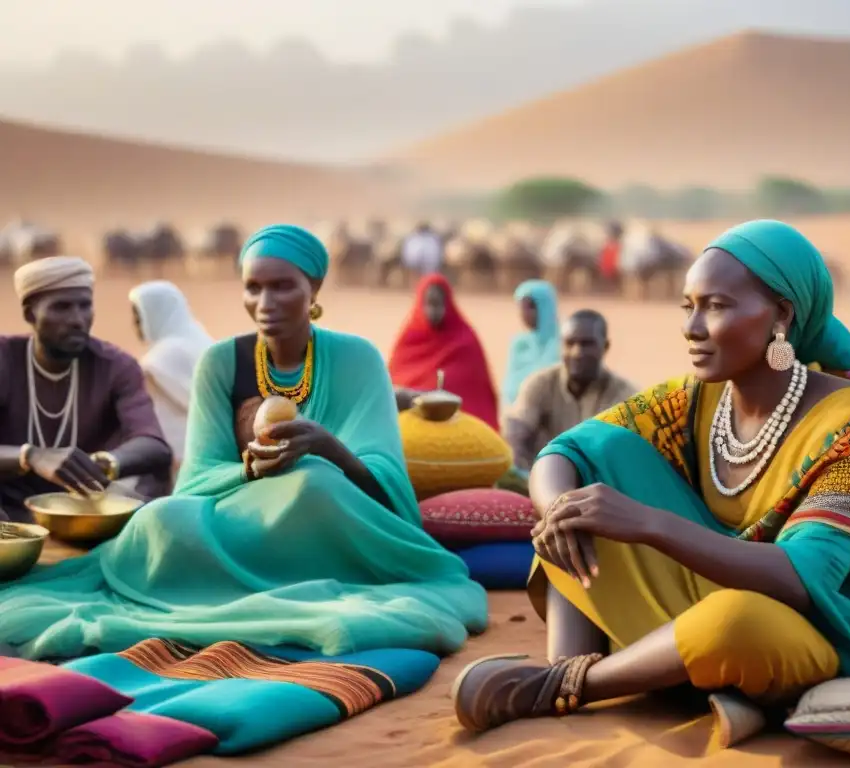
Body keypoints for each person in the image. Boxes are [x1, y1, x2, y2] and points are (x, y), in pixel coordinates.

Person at [449, 220, 850, 733]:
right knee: (587, 484)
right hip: (710, 593)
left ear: (781, 315)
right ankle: (581, 667)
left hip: (817, 627)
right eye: (689, 306)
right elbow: (565, 451)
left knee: (734, 624)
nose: (691, 327)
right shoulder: (699, 396)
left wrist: (648, 523)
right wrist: (558, 510)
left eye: (716, 306)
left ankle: (573, 685)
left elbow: (801, 579)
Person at [0, 224, 488, 661]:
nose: (265, 302)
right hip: (238, 513)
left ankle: (250, 585)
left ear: (313, 288)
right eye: (253, 287)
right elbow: (195, 478)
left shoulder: (357, 358)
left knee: (312, 483)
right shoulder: (220, 361)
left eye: (282, 287)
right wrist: (250, 469)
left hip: (326, 514)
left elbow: (387, 487)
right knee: (158, 516)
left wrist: (327, 447)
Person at [0, 257, 173, 523]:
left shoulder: (116, 366)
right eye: (61, 307)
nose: (78, 320)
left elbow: (154, 445)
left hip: (84, 513)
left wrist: (107, 461)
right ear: (29, 314)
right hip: (7, 514)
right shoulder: (5, 358)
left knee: (158, 485)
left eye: (85, 306)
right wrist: (31, 456)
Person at [503, 309, 637, 471]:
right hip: (543, 478)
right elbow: (517, 430)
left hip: (597, 482)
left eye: (587, 344)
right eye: (570, 343)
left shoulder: (624, 394)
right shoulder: (540, 384)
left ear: (605, 346)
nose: (577, 352)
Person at [389, 274, 499, 430]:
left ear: (448, 305)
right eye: (429, 304)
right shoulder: (408, 340)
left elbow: (477, 397)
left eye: (438, 305)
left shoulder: (466, 341)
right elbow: (393, 390)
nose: (433, 311)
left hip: (459, 432)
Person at [129, 280, 214, 471]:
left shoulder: (164, 354)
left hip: (180, 458)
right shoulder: (196, 337)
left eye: (139, 317)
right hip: (204, 450)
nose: (135, 325)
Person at [501, 279, 561, 407]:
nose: (523, 314)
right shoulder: (520, 345)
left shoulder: (563, 346)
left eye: (529, 308)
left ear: (544, 307)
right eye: (521, 308)